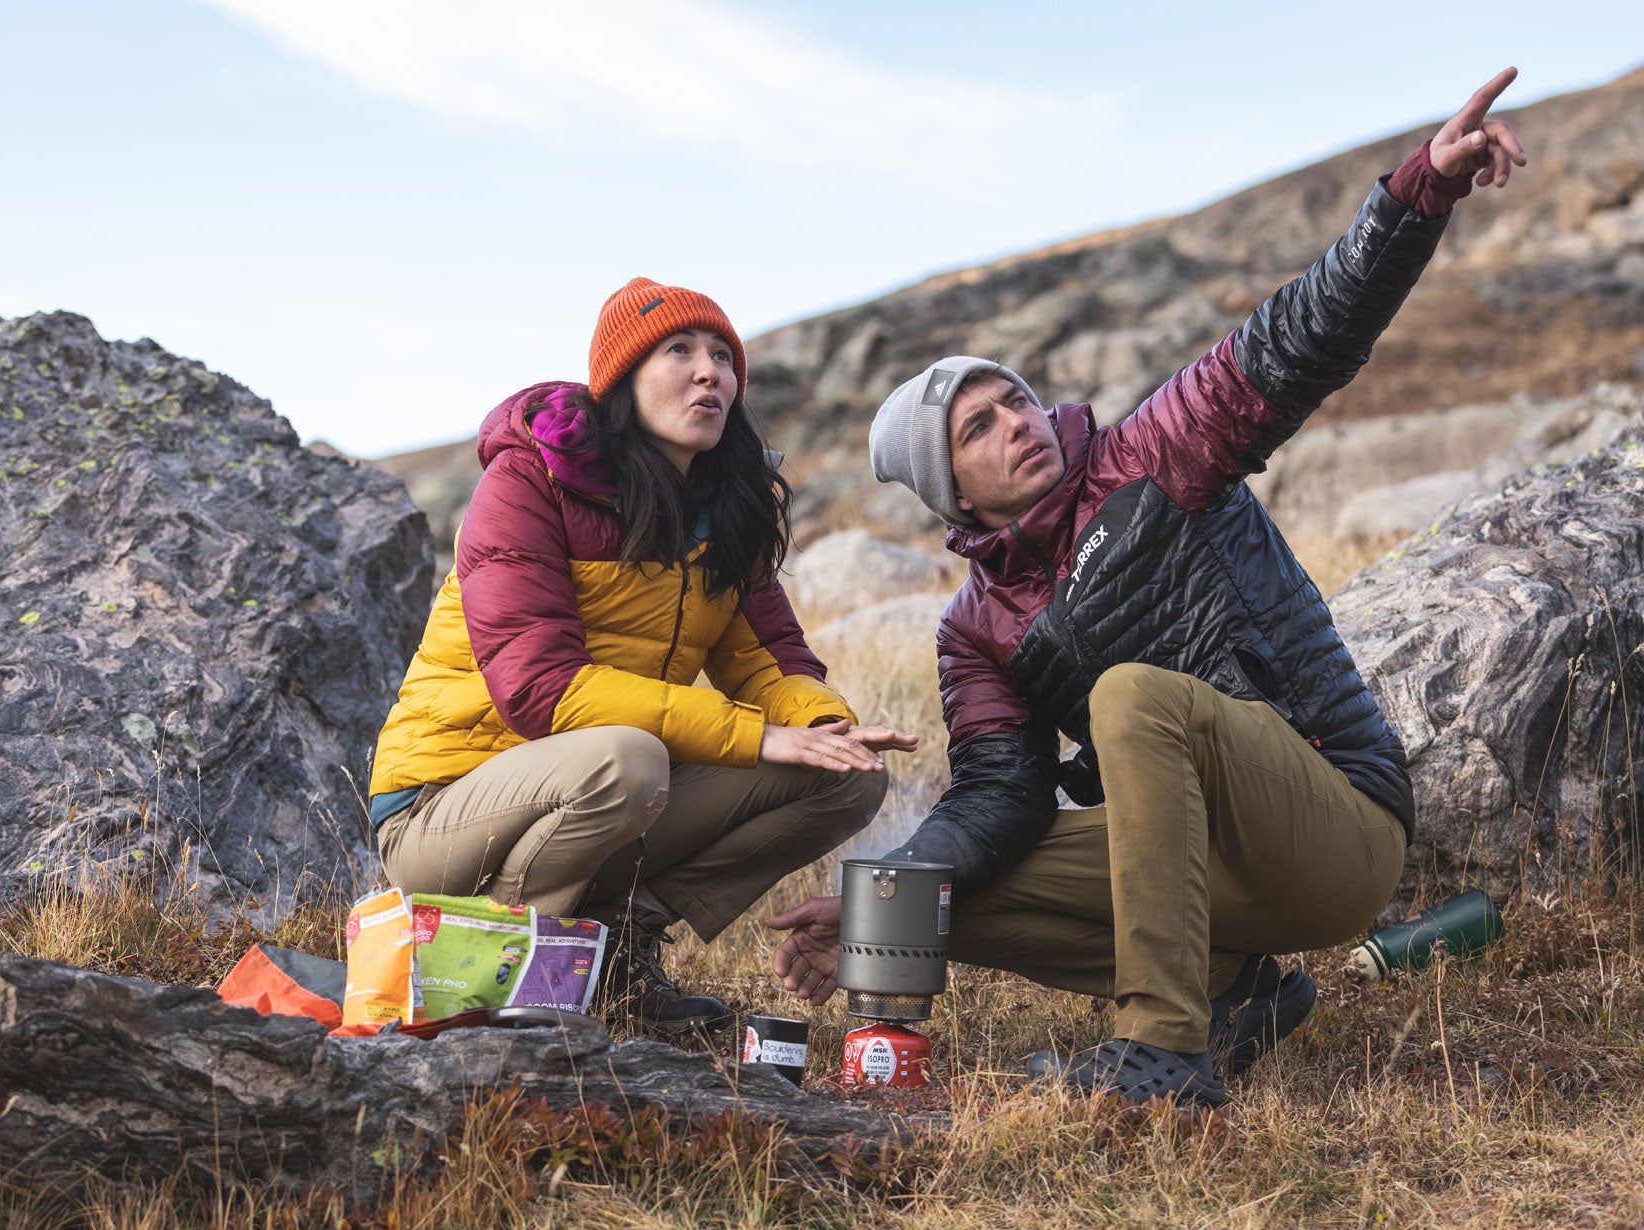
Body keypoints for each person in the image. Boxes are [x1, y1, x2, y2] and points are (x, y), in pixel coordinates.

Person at [767, 70, 1529, 1104]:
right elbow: (999, 798)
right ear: (951, 490)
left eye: (1018, 400)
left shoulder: (1152, 456)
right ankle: (1232, 994)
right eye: (979, 428)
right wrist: (873, 899)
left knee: (1130, 694)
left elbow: (1303, 335)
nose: (1020, 424)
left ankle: (1164, 1051)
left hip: (1333, 820)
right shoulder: (976, 628)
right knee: (934, 894)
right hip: (1201, 867)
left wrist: (1416, 196)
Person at [369, 276, 917, 1034]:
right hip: (444, 807)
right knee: (630, 759)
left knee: (842, 778)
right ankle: (491, 967)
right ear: (621, 379)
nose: (710, 372)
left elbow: (770, 661)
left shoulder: (726, 510)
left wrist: (825, 723)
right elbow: (541, 690)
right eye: (680, 350)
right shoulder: (530, 480)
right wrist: (750, 733)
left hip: (600, 794)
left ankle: (614, 944)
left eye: (724, 356)